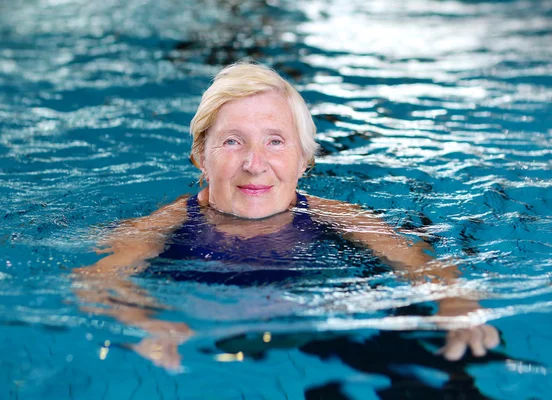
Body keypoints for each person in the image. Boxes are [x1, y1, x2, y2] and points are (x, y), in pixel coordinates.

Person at [74, 61, 499, 369]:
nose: (255, 164)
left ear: (304, 161)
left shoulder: (344, 218)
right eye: (232, 142)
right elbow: (96, 281)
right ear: (200, 158)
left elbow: (420, 262)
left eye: (275, 141)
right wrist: (147, 324)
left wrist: (458, 304)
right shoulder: (160, 227)